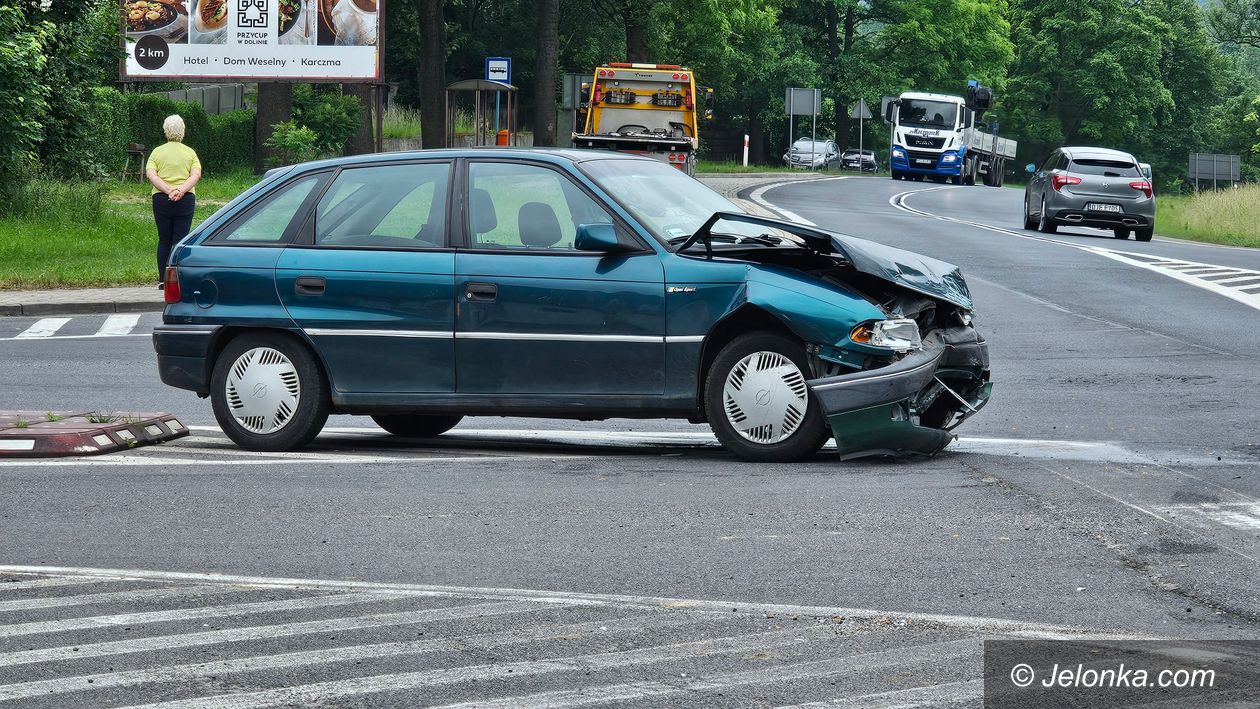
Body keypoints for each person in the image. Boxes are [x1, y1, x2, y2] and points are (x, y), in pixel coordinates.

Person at [146, 115, 202, 288]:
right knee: (180, 239)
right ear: (183, 131)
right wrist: (180, 190)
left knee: (164, 239)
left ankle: (163, 279)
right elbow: (196, 175)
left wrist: (168, 190)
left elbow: (151, 174)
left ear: (165, 131)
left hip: (161, 199)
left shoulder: (157, 152)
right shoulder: (190, 152)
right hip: (185, 199)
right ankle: (177, 279)